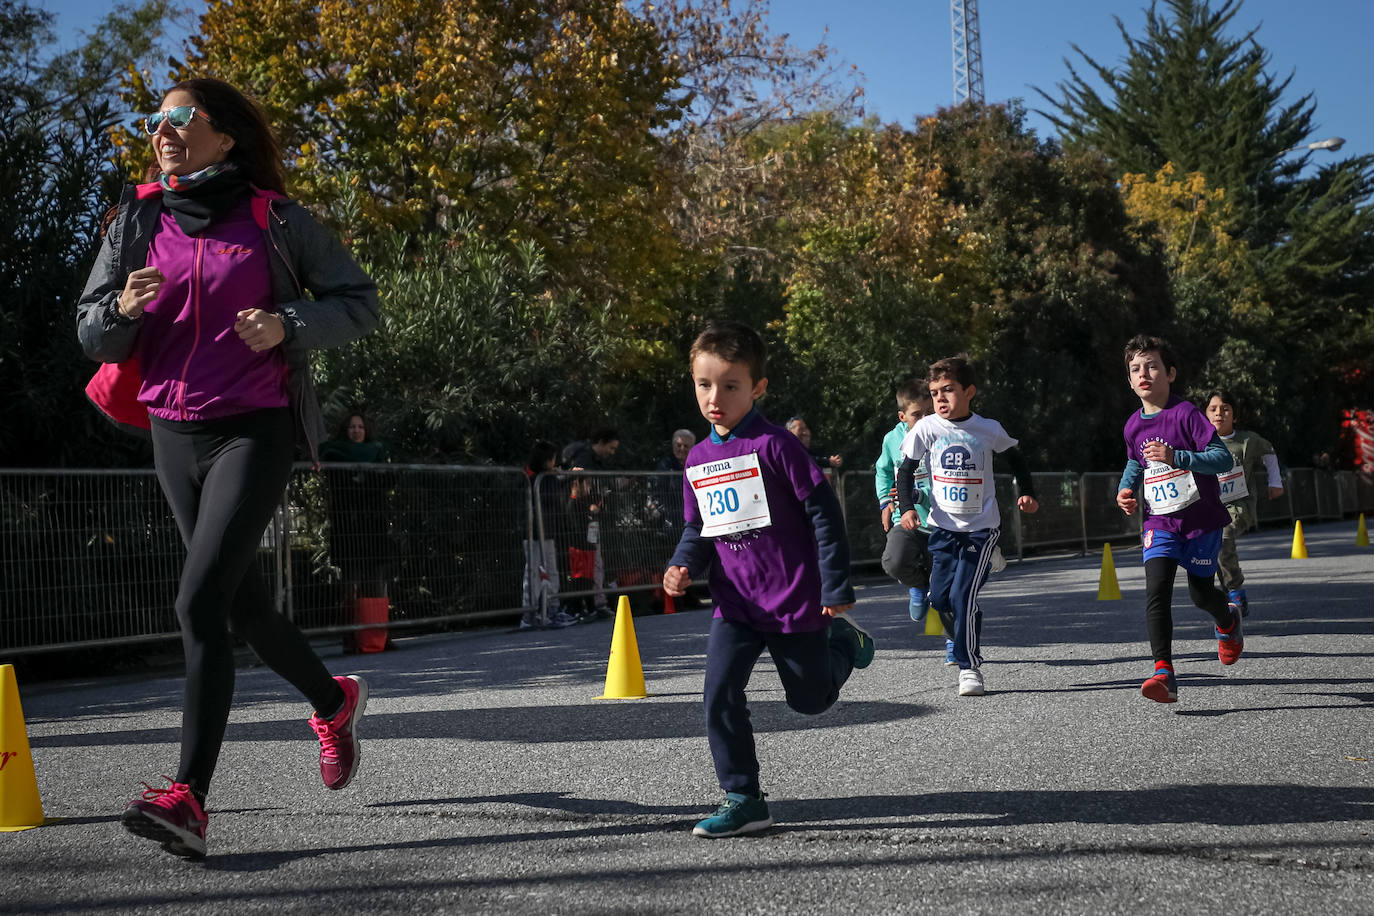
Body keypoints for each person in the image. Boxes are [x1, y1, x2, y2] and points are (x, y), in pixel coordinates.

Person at [76, 78, 379, 858]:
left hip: (254, 429)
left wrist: (287, 324)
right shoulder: (138, 220)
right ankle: (332, 699)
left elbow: (359, 303)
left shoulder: (276, 221)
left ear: (226, 137)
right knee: (240, 605)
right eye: (157, 120)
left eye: (182, 118)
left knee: (198, 599)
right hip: (173, 433)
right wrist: (123, 314)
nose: (163, 131)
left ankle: (188, 799)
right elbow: (89, 329)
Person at [663, 320, 873, 839]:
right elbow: (698, 525)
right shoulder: (698, 457)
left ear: (757, 388)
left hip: (794, 599)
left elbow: (825, 514)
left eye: (730, 386)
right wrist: (683, 562)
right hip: (734, 604)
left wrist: (835, 586)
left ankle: (843, 644)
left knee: (810, 700)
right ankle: (744, 798)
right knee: (717, 694)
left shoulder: (777, 446)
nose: (715, 398)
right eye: (704, 385)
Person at [895, 355, 1038, 697]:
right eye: (934, 393)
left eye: (948, 390)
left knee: (962, 597)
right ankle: (987, 564)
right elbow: (904, 470)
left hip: (980, 527)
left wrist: (1028, 493)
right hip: (943, 528)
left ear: (969, 391)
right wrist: (907, 507)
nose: (940, 398)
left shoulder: (988, 429)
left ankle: (968, 666)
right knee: (940, 598)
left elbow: (1016, 457)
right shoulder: (927, 428)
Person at [1115, 336, 1241, 705]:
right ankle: (1163, 671)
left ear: (1170, 373)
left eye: (1152, 366)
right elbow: (1135, 461)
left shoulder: (1186, 414)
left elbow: (1221, 459)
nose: (1144, 374)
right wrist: (1125, 490)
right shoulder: (1132, 425)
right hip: (1160, 523)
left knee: (1200, 594)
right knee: (1157, 591)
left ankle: (1228, 622)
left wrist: (1178, 457)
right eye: (1135, 369)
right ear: (1129, 379)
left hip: (1201, 522)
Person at [875, 375, 947, 653]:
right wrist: (885, 503)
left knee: (948, 587)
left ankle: (955, 644)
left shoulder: (943, 434)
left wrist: (923, 496)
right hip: (905, 519)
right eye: (918, 414)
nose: (925, 418)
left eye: (929, 412)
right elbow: (882, 472)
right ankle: (918, 586)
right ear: (902, 416)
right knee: (894, 561)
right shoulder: (892, 439)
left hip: (941, 521)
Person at [1204, 389, 1284, 618]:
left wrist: (1275, 481)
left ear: (1234, 416)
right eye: (1213, 409)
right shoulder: (1200, 442)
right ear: (1206, 414)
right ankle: (1227, 592)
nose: (1219, 413)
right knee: (1212, 547)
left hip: (1239, 506)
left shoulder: (1247, 441)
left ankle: (1235, 589)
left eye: (1225, 409)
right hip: (1209, 509)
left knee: (1225, 535)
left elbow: (1269, 451)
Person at [320, 412, 392, 653]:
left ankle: (378, 636)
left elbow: (387, 481)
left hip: (373, 530)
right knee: (349, 586)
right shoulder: (333, 453)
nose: (356, 430)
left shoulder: (377, 451)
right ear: (345, 430)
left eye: (360, 426)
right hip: (348, 530)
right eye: (351, 426)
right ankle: (351, 638)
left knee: (376, 586)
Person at [519, 440, 578, 630]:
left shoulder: (544, 477)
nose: (555, 463)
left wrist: (562, 476)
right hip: (534, 533)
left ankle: (552, 609)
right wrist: (564, 478)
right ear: (545, 461)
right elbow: (550, 494)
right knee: (534, 573)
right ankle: (530, 614)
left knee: (551, 571)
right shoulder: (532, 478)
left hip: (548, 532)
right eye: (553, 460)